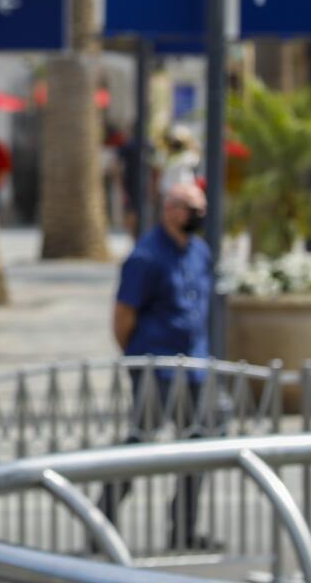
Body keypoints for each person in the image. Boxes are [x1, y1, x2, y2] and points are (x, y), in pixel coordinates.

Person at [99, 182, 219, 551]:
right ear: (169, 210)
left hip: (195, 368)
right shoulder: (146, 257)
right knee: (139, 447)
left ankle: (183, 531)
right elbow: (123, 316)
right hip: (156, 370)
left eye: (201, 206)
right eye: (190, 207)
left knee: (196, 449)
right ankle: (100, 526)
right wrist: (137, 357)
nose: (199, 214)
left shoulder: (200, 251)